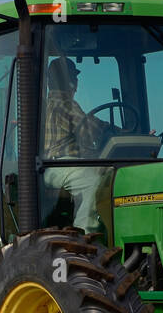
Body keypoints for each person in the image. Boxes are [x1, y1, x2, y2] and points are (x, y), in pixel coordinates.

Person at [41, 57, 112, 236]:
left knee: (104, 171)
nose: (77, 83)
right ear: (70, 81)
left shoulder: (48, 103)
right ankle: (86, 234)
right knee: (92, 181)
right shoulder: (64, 103)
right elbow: (91, 129)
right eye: (74, 78)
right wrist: (118, 131)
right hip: (57, 165)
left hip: (53, 166)